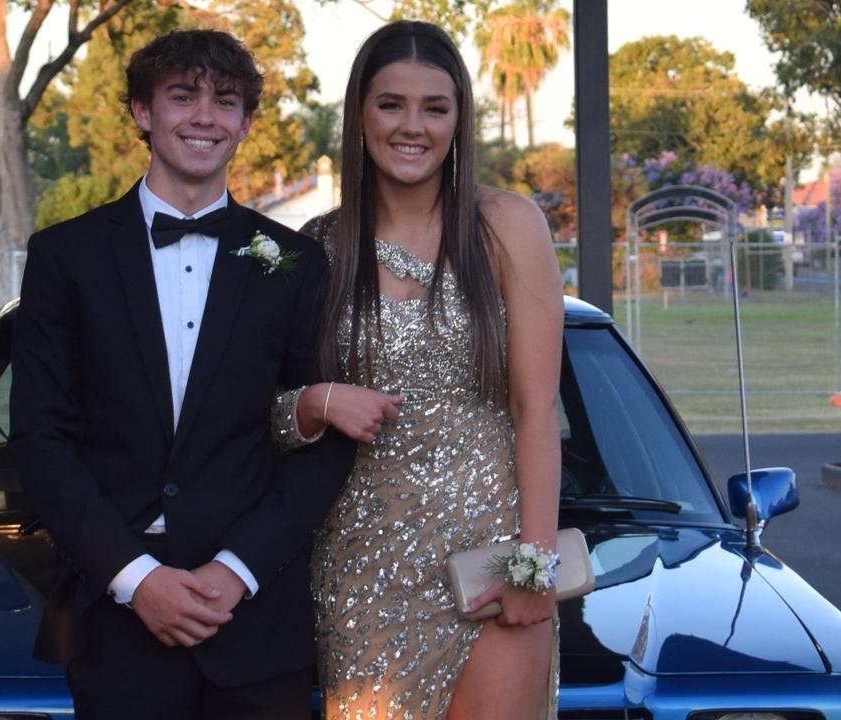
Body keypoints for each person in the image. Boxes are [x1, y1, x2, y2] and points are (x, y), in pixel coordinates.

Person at [10, 29, 357, 720]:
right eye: (182, 96)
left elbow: (325, 437)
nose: (205, 116)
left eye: (225, 101)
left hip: (256, 626)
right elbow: (41, 441)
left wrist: (237, 570)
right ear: (142, 111)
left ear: (246, 123)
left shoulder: (295, 262)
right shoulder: (65, 256)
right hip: (118, 625)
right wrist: (136, 581)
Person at [270, 20, 564, 720]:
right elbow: (269, 415)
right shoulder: (315, 250)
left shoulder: (507, 225)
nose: (413, 126)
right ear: (360, 115)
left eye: (435, 107)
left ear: (459, 119)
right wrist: (314, 403)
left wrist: (533, 565)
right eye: (391, 104)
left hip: (492, 559)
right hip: (360, 574)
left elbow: (537, 411)